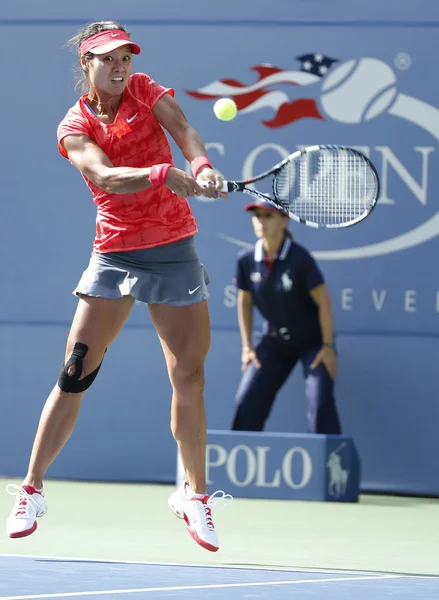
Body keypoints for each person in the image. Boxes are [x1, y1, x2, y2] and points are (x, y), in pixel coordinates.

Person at [6, 20, 231, 553]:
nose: (119, 65)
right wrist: (164, 176)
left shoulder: (146, 90)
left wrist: (200, 164)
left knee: (190, 374)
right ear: (86, 64)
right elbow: (105, 176)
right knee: (76, 368)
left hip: (173, 247)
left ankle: (194, 495)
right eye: (107, 58)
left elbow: (184, 131)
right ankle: (31, 490)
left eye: (125, 56)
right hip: (115, 251)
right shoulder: (73, 125)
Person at [231, 199, 342, 434]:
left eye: (268, 216)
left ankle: (333, 468)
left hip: (313, 343)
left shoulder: (300, 258)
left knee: (320, 406)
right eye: (257, 216)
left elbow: (324, 302)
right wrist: (247, 347)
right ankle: (242, 467)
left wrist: (328, 346)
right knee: (246, 403)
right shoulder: (246, 260)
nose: (261, 221)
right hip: (274, 343)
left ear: (284, 221)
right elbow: (245, 301)